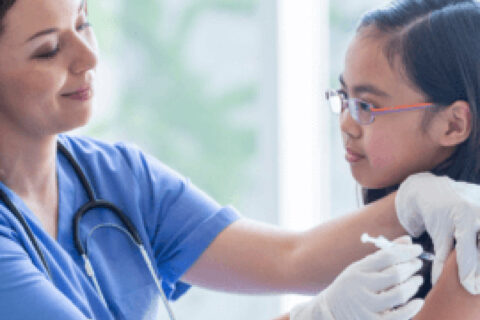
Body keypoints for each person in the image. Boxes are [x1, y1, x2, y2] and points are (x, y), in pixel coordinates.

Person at [0, 0, 478, 319]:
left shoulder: (116, 177)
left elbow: (290, 258)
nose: (89, 57)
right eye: (48, 49)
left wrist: (413, 201)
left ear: (455, 124)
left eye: (84, 22)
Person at [284, 0, 480, 319]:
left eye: (367, 106)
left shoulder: (471, 254)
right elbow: (287, 257)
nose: (346, 123)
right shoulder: (404, 229)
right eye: (345, 97)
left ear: (454, 124)